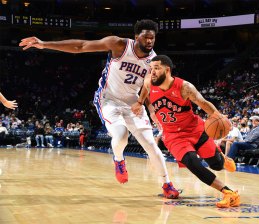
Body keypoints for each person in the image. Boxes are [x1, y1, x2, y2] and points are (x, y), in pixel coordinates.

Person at [19, 19, 179, 199]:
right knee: (121, 136)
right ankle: (119, 160)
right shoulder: (119, 44)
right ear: (136, 37)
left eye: (153, 38)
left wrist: (150, 109)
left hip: (134, 103)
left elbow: (147, 87)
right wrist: (44, 44)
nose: (150, 41)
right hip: (108, 99)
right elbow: (81, 46)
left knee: (151, 145)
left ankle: (167, 185)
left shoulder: (153, 61)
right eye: (146, 37)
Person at [132, 55, 240, 208]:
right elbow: (145, 89)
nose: (152, 72)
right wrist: (139, 102)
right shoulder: (149, 82)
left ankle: (223, 158)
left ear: (167, 70)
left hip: (195, 129)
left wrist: (219, 116)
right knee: (193, 164)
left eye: (156, 68)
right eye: (151, 69)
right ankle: (229, 193)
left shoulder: (184, 87)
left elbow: (203, 103)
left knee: (216, 165)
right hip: (173, 136)